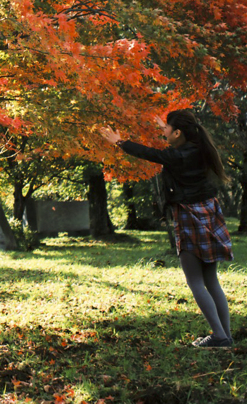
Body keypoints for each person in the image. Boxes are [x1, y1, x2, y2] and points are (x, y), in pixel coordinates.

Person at [102, 109, 234, 348]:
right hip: (209, 211)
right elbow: (172, 144)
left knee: (195, 280)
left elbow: (150, 154)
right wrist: (167, 125)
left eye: (166, 130)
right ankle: (225, 335)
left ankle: (219, 336)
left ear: (178, 132)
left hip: (189, 216)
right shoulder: (199, 148)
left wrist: (120, 142)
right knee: (211, 279)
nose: (163, 132)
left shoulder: (179, 155)